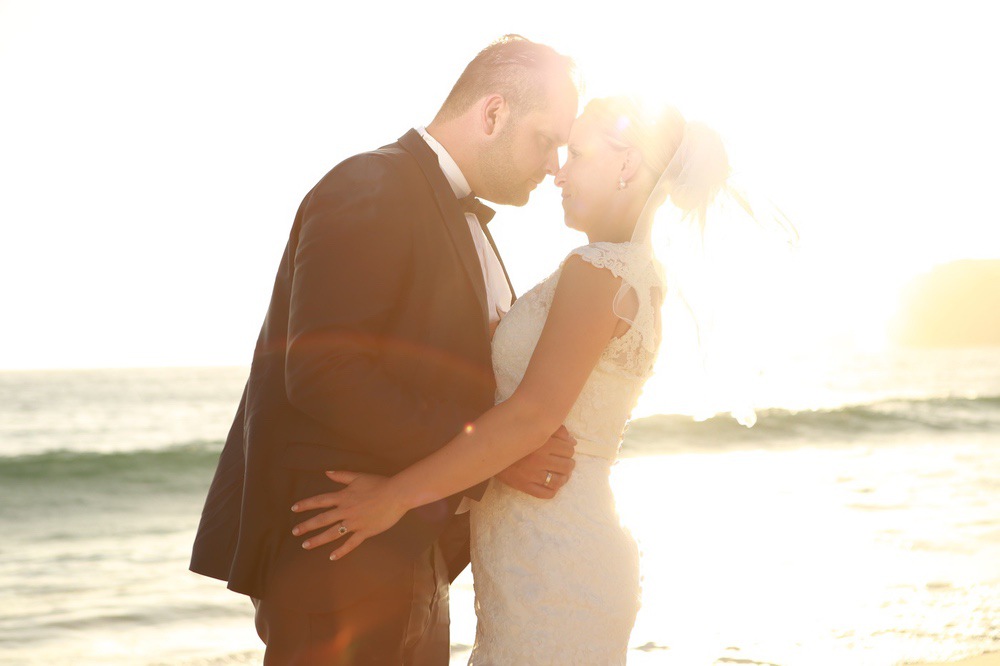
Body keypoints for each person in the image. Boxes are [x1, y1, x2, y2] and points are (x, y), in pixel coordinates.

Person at [290, 97, 741, 663]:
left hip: (552, 559)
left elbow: (531, 416)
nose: (558, 170)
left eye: (576, 153)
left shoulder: (598, 271)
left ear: (626, 166)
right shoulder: (632, 272)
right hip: (551, 547)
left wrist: (393, 497)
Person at [189, 35, 580, 665]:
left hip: (412, 551)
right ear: (493, 113)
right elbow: (323, 371)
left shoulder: (455, 215)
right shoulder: (369, 183)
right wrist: (489, 456)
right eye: (547, 138)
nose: (555, 163)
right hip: (338, 558)